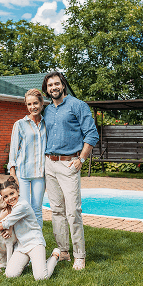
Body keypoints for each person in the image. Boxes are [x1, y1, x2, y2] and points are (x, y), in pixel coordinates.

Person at [41, 71, 99, 271]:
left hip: (69, 163)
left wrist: (81, 159)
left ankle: (80, 255)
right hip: (50, 164)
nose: (53, 88)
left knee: (73, 211)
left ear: (63, 85)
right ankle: (63, 251)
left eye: (57, 84)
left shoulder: (77, 105)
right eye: (50, 85)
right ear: (46, 89)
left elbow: (91, 134)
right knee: (56, 210)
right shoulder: (47, 110)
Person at [0, 177, 60, 280]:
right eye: (5, 196)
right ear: (3, 198)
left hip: (34, 243)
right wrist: (9, 228)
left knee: (41, 277)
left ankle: (54, 256)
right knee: (10, 275)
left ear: (18, 191)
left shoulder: (22, 206)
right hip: (21, 245)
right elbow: (9, 218)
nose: (10, 198)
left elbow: (0, 226)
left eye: (12, 193)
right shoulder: (10, 207)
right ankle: (32, 262)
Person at [8, 88, 46, 227]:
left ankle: (38, 242)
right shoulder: (19, 124)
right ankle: (23, 241)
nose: (32, 107)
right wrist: (12, 173)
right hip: (23, 173)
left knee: (37, 209)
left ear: (41, 103)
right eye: (29, 104)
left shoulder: (46, 124)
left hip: (39, 173)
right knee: (24, 208)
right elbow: (13, 149)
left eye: (35, 103)